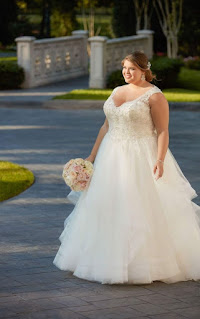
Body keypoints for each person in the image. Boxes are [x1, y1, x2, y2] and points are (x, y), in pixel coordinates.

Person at [53, 51, 200, 285]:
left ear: (144, 70)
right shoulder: (116, 91)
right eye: (124, 68)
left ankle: (146, 264)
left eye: (132, 69)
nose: (126, 73)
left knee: (139, 206)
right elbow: (105, 126)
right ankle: (102, 259)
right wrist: (91, 156)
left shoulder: (154, 96)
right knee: (107, 205)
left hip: (141, 155)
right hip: (111, 155)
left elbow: (162, 131)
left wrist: (160, 160)